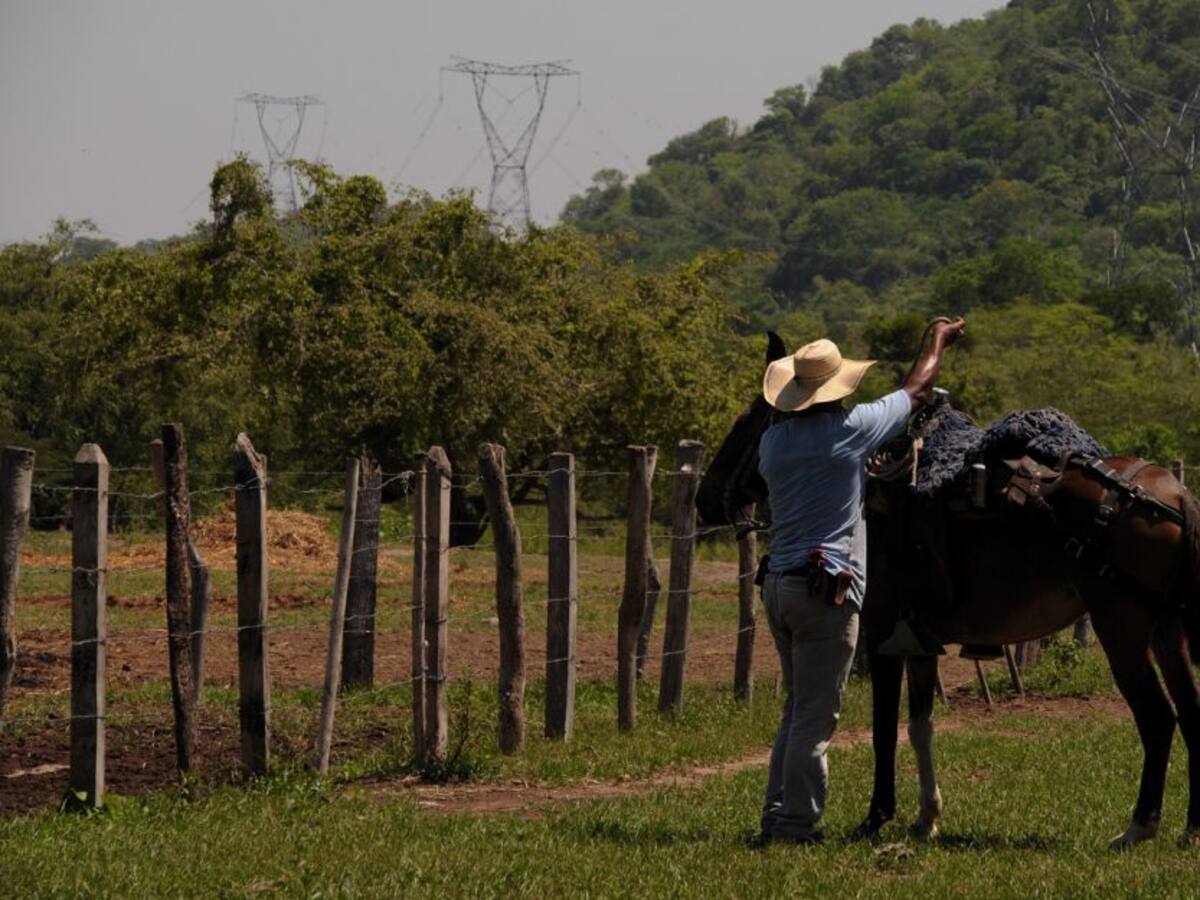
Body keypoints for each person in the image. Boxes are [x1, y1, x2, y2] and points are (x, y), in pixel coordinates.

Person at [754, 317, 965, 846]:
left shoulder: (773, 444)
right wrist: (936, 340)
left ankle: (777, 815)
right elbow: (917, 388)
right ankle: (795, 828)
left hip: (778, 583)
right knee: (816, 717)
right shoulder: (850, 431)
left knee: (797, 706)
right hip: (823, 591)